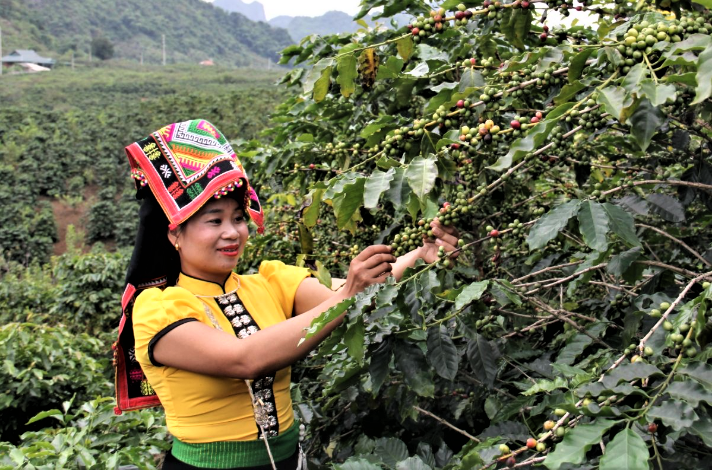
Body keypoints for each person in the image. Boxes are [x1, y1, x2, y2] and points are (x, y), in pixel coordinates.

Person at [117, 119, 459, 470]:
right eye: (214, 221)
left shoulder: (268, 282)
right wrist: (349, 295)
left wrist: (421, 254)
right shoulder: (157, 309)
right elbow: (243, 359)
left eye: (238, 218)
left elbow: (344, 295)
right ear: (175, 234)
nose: (232, 232)